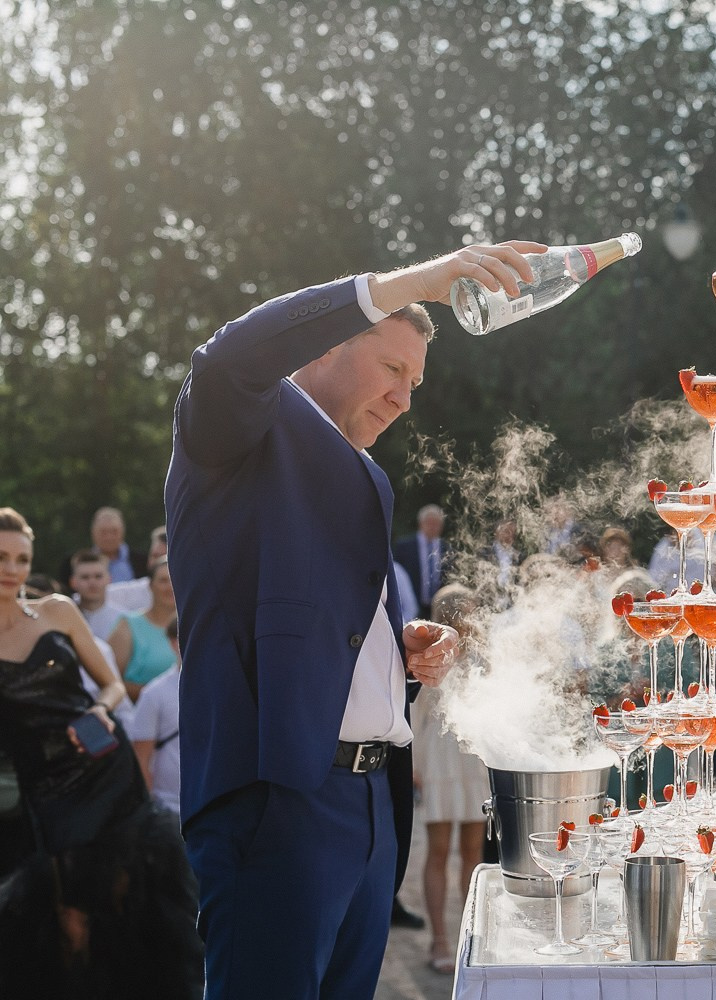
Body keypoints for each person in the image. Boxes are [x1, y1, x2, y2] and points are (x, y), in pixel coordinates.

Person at [165, 239, 540, 999]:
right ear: (324, 345)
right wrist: (416, 281)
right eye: (394, 369)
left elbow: (311, 626)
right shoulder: (236, 430)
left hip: (370, 811)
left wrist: (396, 655)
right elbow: (229, 357)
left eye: (417, 382)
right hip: (279, 803)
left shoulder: (364, 472)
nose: (407, 398)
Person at [0, 507, 202, 998]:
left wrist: (99, 710)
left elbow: (111, 684)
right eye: (2, 557)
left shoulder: (57, 610)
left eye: (23, 558)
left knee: (125, 894)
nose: (13, 569)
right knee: (67, 916)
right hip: (43, 787)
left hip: (102, 766)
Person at [413, 584, 490, 975]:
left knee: (473, 856)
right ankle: (439, 940)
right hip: (440, 758)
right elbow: (416, 713)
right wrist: (416, 766)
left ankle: (467, 938)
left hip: (473, 760)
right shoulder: (429, 654)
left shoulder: (483, 660)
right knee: (441, 851)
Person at [106, 557, 178, 702]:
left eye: (174, 579)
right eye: (163, 581)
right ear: (150, 586)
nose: (170, 586)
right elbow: (109, 680)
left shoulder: (194, 625)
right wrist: (156, 695)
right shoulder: (128, 625)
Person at [132, 617, 183, 816]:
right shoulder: (153, 693)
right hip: (168, 808)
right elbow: (142, 757)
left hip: (217, 804)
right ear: (173, 643)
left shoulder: (225, 688)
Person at [57, 506, 147, 585]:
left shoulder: (143, 562)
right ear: (93, 532)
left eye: (114, 531)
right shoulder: (71, 564)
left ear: (123, 531)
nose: (109, 537)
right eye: (103, 532)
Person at [394, 504, 448, 620]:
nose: (433, 527)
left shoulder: (446, 549)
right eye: (429, 523)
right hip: (411, 608)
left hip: (439, 609)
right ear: (421, 523)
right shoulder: (404, 547)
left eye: (436, 524)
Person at [69, 549, 126, 641]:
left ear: (109, 579)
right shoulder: (63, 614)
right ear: (73, 582)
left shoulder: (123, 620)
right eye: (85, 577)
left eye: (98, 576)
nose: (92, 582)